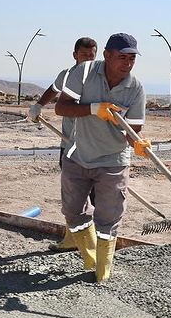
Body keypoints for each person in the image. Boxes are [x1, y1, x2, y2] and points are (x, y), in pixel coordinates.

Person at [53, 33, 149, 282]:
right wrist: (94, 108)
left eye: (131, 59)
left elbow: (133, 131)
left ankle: (103, 269)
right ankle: (90, 257)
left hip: (113, 161)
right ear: (106, 55)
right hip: (78, 155)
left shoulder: (135, 89)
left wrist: (138, 143)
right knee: (72, 212)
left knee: (109, 216)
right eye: (121, 57)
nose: (127, 63)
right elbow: (61, 107)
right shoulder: (83, 73)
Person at [28, 37, 98, 166]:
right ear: (75, 55)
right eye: (84, 55)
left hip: (94, 146)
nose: (88, 59)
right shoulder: (66, 76)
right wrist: (38, 105)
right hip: (69, 143)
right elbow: (53, 89)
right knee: (70, 183)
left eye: (91, 55)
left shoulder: (100, 78)